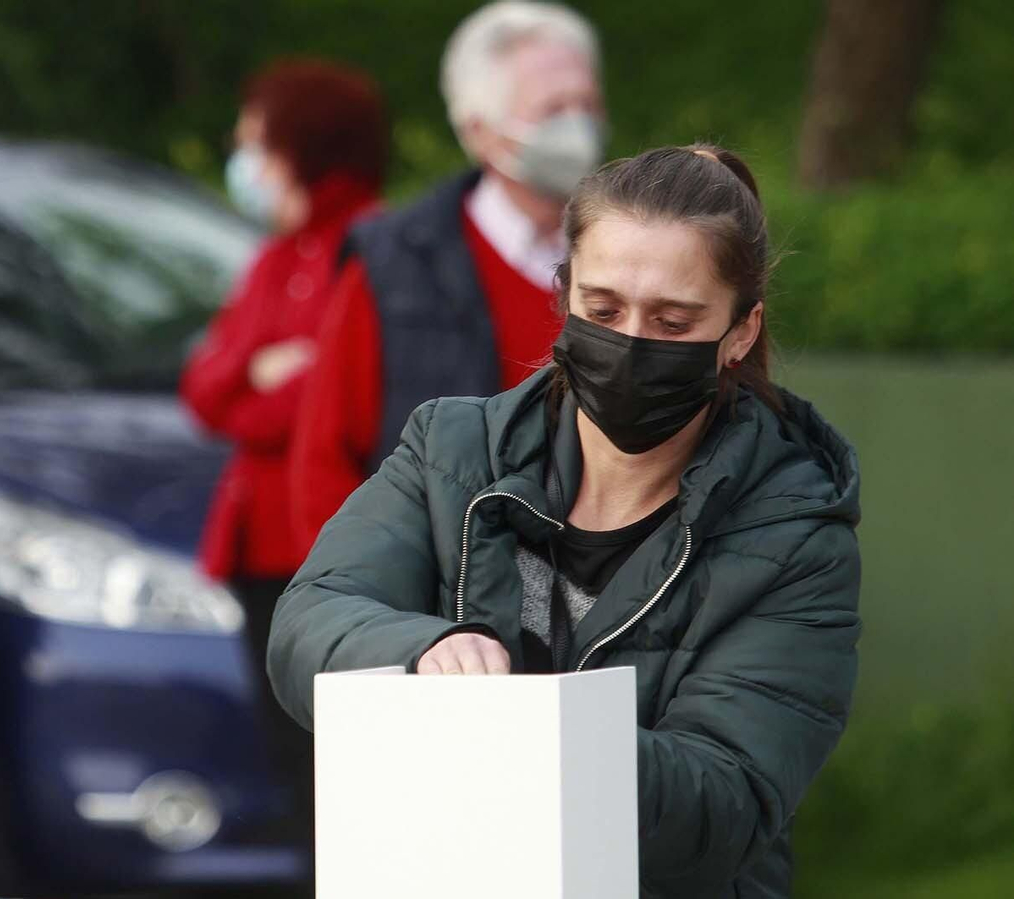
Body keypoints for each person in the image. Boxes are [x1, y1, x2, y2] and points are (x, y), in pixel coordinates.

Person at [268, 145, 861, 898]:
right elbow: (308, 621)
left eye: (673, 322)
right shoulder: (452, 449)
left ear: (740, 333)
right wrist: (425, 648)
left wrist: (530, 734)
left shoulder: (796, 535)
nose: (631, 343)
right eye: (604, 309)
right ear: (564, 292)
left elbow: (727, 801)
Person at [289, 0, 606, 553]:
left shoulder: (629, 252)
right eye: (553, 109)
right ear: (480, 131)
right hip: (438, 606)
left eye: (587, 103)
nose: (578, 125)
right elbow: (324, 464)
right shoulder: (394, 264)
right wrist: (378, 613)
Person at [180, 59, 385, 845]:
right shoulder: (274, 256)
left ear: (303, 146)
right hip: (257, 549)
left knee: (344, 772)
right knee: (294, 768)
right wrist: (260, 370)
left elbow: (326, 401)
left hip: (332, 547)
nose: (245, 163)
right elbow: (206, 390)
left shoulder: (371, 246)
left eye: (255, 144)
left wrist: (266, 380)